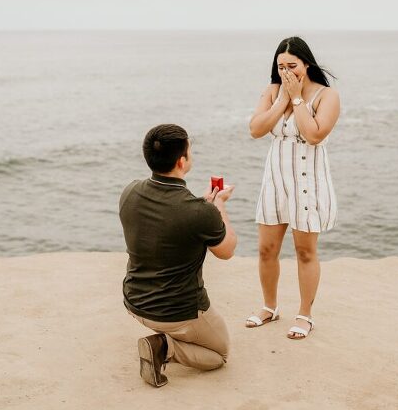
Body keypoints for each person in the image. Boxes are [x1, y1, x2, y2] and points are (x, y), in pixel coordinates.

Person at [119, 124, 237, 387]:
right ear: (182, 161)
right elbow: (227, 250)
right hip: (177, 312)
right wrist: (219, 206)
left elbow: (168, 218)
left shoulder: (130, 192)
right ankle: (164, 346)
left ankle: (165, 337)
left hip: (135, 301)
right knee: (219, 354)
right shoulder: (198, 213)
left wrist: (205, 206)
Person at [246, 36, 340, 340]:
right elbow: (256, 129)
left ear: (306, 64)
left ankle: (304, 314)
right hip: (275, 181)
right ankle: (269, 307)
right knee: (266, 249)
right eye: (281, 66)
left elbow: (313, 134)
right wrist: (283, 99)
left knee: (305, 251)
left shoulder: (327, 96)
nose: (287, 71)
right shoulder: (272, 92)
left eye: (293, 65)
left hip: (308, 183)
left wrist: (298, 98)